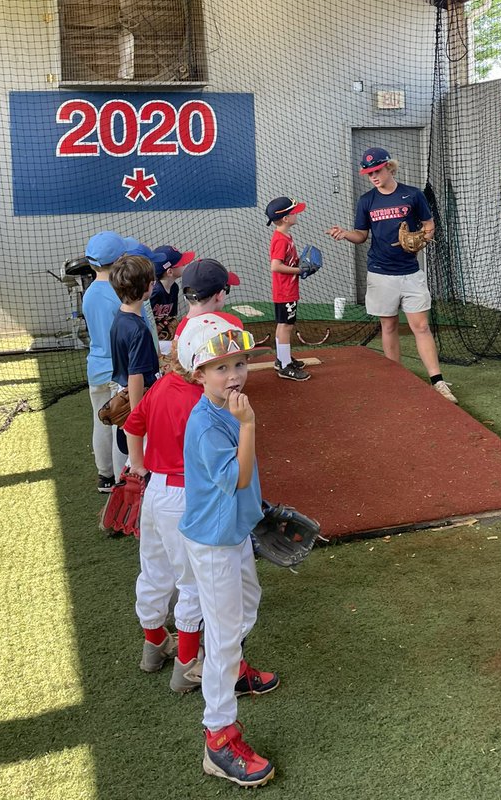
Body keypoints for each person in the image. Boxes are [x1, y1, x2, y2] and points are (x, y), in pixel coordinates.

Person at [179, 314, 279, 788]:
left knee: (247, 606)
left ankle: (233, 667)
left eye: (239, 362)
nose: (235, 374)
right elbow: (237, 476)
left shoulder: (226, 410)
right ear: (197, 374)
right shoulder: (209, 423)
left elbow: (245, 485)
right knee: (221, 637)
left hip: (232, 531)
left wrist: (258, 510)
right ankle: (218, 739)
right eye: (220, 367)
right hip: (213, 541)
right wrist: (249, 424)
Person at [327, 146, 457, 403]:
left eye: (376, 171)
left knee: (420, 326)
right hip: (380, 272)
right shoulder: (367, 201)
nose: (373, 176)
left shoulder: (413, 195)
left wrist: (424, 239)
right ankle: (396, 378)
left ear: (390, 167)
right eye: (369, 173)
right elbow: (361, 235)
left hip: (410, 273)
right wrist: (345, 234)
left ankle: (438, 381)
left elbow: (429, 225)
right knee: (388, 325)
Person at [123, 351, 205, 693]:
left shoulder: (162, 385)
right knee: (193, 581)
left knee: (155, 571)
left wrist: (138, 468)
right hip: (186, 495)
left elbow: (131, 426)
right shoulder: (203, 398)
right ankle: (187, 664)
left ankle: (155, 644)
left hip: (155, 491)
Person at [82, 230, 128, 492]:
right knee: (121, 426)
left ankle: (105, 476)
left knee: (101, 421)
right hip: (118, 370)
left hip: (96, 367)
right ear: (121, 259)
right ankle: (123, 479)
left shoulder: (89, 293)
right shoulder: (118, 293)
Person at [265, 196, 311, 382]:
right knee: (286, 326)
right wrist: (299, 270)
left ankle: (281, 359)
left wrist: (301, 264)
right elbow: (275, 266)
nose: (297, 213)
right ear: (285, 218)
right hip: (285, 290)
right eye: (294, 211)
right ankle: (284, 366)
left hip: (286, 289)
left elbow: (287, 261)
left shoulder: (285, 236)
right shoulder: (281, 240)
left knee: (283, 325)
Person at [109, 254, 161, 417]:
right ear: (147, 287)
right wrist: (137, 413)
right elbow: (135, 375)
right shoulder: (139, 330)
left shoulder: (120, 316)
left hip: (125, 389)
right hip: (140, 395)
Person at [150, 245, 195, 354]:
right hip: (153, 339)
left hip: (165, 336)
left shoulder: (174, 287)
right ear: (170, 272)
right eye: (181, 264)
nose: (184, 264)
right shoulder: (155, 291)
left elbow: (172, 317)